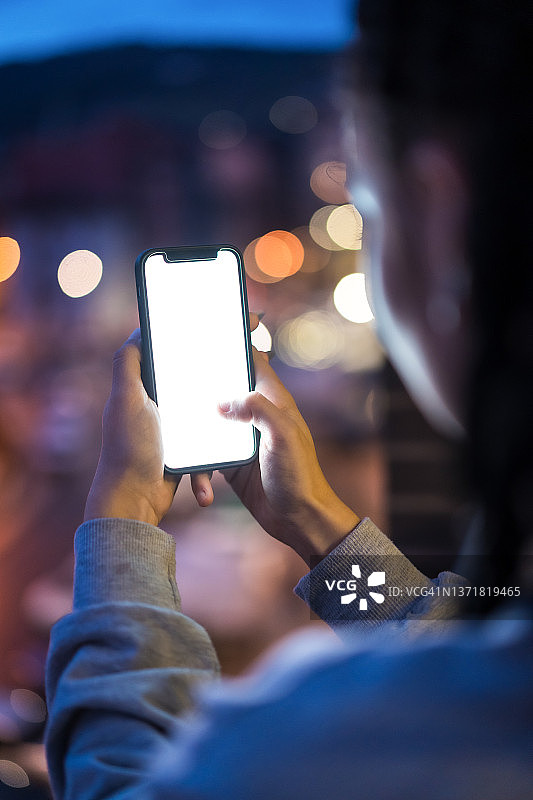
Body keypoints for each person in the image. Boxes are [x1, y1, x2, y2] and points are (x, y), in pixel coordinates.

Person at [45, 1, 532, 798]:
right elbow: (455, 665)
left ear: (443, 214)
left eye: (367, 205)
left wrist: (121, 530)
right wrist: (318, 524)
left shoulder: (309, 742)